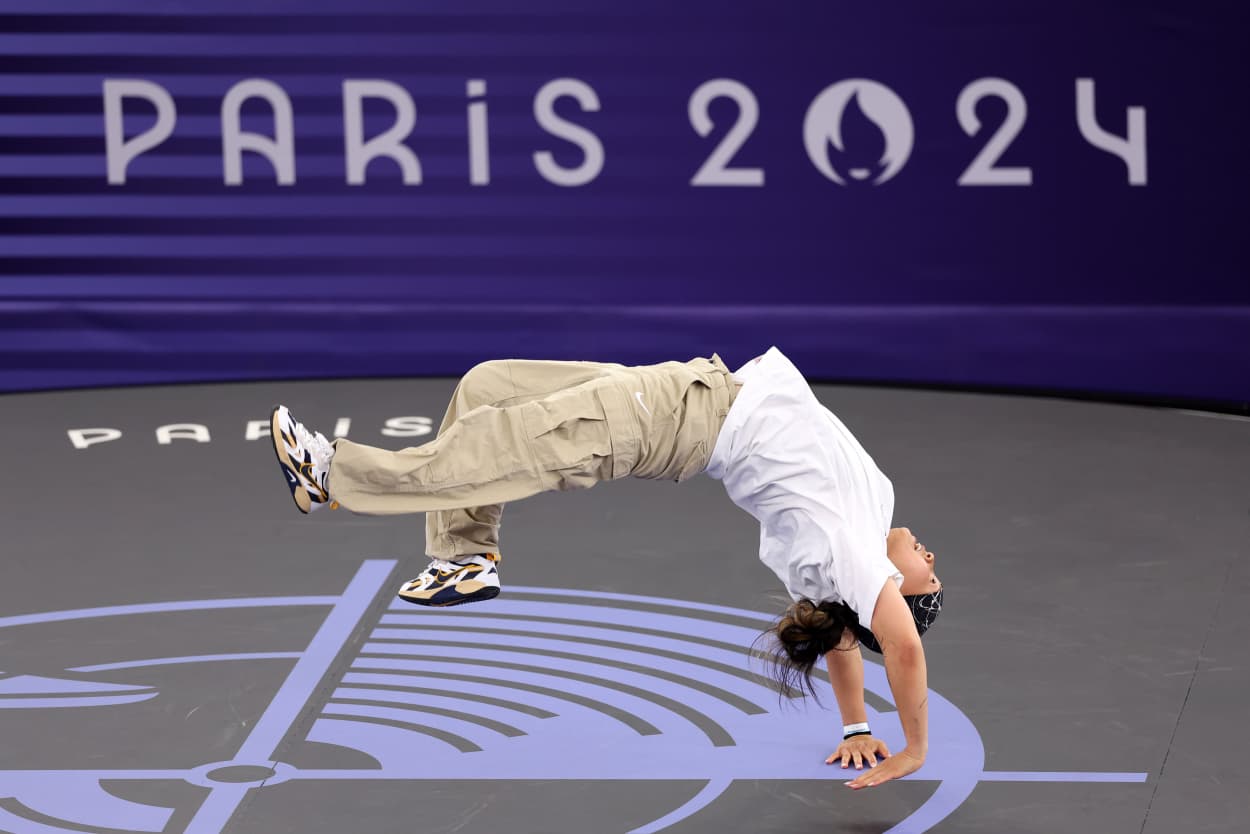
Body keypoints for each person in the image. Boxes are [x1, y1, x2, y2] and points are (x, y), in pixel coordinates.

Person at [268, 346, 943, 789]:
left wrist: (913, 748)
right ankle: (464, 555)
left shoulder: (849, 548)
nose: (932, 560)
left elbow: (901, 648)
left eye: (929, 580)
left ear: (890, 593)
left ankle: (334, 473)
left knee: (504, 445)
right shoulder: (840, 563)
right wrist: (856, 726)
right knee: (488, 388)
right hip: (692, 391)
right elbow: (844, 642)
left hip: (675, 420)